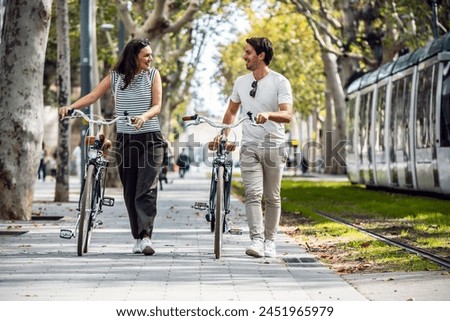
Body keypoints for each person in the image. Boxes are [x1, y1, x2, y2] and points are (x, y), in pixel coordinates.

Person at [59, 38, 164, 256]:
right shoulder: (115, 77)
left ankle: (146, 237)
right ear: (133, 57)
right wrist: (71, 107)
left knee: (147, 188)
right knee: (131, 189)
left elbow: (157, 105)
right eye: (146, 55)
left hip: (151, 138)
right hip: (126, 139)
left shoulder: (153, 75)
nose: (150, 58)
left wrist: (143, 117)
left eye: (151, 55)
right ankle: (137, 237)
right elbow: (93, 96)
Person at [220, 37, 293, 258]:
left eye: (248, 52)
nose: (244, 56)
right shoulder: (241, 82)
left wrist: (269, 114)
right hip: (249, 146)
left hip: (274, 145)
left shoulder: (280, 82)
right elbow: (231, 112)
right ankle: (257, 240)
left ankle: (270, 241)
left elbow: (287, 115)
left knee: (272, 196)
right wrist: (224, 135)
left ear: (261, 56)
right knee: (253, 194)